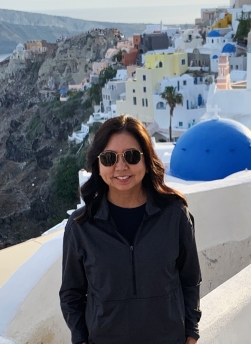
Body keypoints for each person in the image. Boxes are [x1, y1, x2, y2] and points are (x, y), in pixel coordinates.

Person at [59, 115, 201, 344]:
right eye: (109, 158)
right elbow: (71, 294)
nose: (121, 166)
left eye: (132, 156)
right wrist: (81, 340)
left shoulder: (175, 215)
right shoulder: (81, 226)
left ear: (146, 161)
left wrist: (191, 333)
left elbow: (190, 279)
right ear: (98, 163)